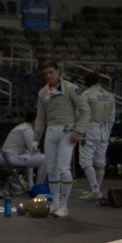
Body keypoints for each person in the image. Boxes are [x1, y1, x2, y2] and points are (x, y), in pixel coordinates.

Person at [33, 59, 90, 218]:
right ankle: (56, 203)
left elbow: (85, 110)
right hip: (51, 131)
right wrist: (36, 138)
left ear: (58, 71)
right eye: (45, 74)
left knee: (63, 168)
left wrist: (79, 131)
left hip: (67, 130)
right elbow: (41, 117)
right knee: (51, 169)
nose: (49, 76)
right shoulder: (43, 92)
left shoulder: (72, 89)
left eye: (51, 72)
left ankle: (64, 205)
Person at [79, 72, 116, 201]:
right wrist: (107, 132)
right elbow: (112, 117)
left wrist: (77, 130)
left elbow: (80, 114)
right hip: (104, 129)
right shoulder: (110, 96)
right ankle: (96, 190)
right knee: (100, 160)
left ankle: (95, 190)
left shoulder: (86, 94)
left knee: (85, 159)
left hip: (89, 128)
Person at [1, 110, 46, 189]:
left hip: (9, 156)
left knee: (31, 158)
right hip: (12, 157)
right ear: (35, 121)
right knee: (45, 159)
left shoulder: (21, 127)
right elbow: (33, 149)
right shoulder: (27, 130)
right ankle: (39, 187)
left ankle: (31, 186)